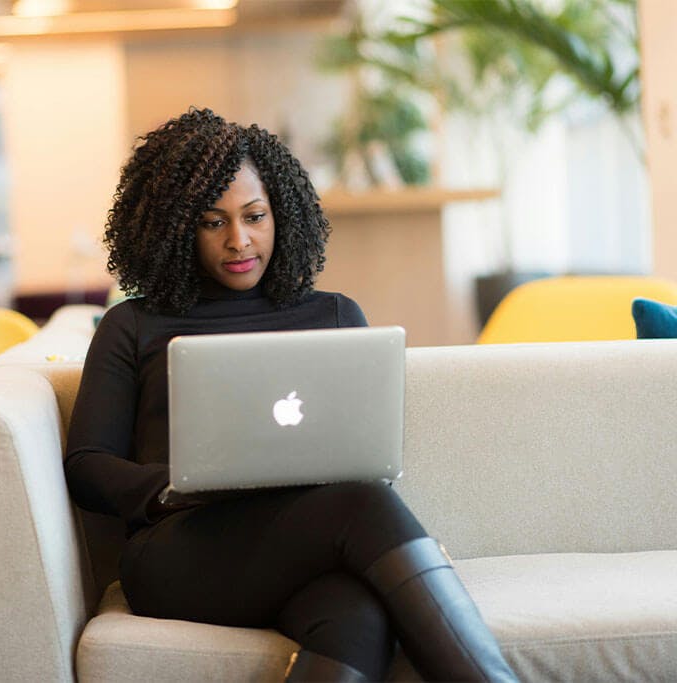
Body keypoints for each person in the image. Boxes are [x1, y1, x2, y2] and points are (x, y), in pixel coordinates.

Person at [65, 108, 518, 683]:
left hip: (312, 544)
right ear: (176, 228)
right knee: (363, 505)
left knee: (357, 614)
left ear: (283, 213)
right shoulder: (133, 324)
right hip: (180, 553)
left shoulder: (334, 315)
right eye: (213, 222)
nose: (239, 240)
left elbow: (366, 450)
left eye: (255, 216)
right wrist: (177, 488)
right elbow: (86, 466)